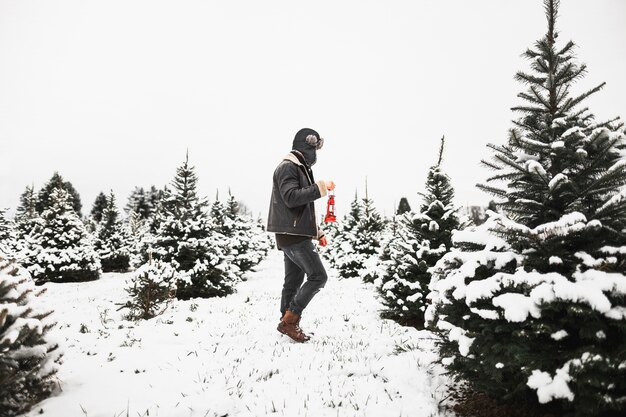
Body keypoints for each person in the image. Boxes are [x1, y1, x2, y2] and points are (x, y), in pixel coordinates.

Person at [267, 128, 336, 342]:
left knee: (293, 281)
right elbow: (291, 198)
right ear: (306, 147)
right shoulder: (288, 167)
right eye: (314, 149)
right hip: (293, 236)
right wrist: (321, 188)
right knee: (318, 276)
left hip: (292, 233)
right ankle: (289, 320)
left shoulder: (297, 167)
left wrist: (317, 233)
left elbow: (299, 210)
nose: (315, 154)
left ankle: (286, 321)